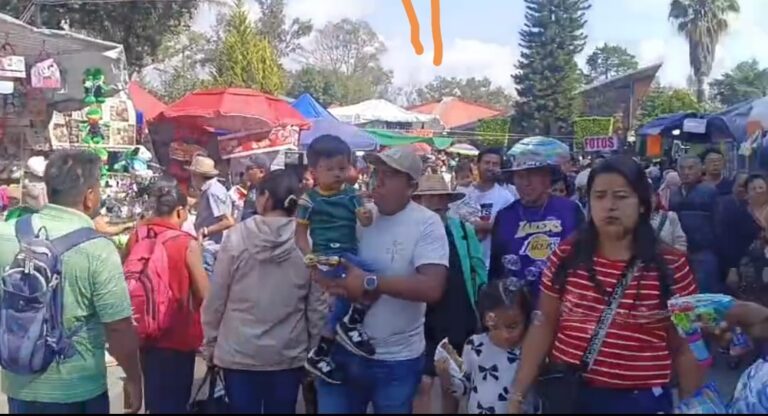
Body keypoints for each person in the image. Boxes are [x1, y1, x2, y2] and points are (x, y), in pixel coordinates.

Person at [508, 156, 702, 414]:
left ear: (643, 204)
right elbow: (544, 324)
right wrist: (517, 395)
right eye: (599, 196)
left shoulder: (672, 265)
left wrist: (692, 405)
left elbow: (689, 345)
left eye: (621, 196)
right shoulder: (566, 255)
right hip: (571, 396)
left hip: (642, 400)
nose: (609, 206)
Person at [0, 150, 142, 414]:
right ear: (89, 196)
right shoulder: (98, 248)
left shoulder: (6, 233)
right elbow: (119, 327)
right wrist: (134, 377)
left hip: (18, 383)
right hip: (77, 388)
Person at [312, 146, 449, 414]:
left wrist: (369, 282)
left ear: (411, 186)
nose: (379, 180)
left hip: (396, 360)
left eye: (390, 175)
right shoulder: (359, 216)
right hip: (341, 353)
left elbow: (433, 287)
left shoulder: (427, 224)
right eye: (377, 173)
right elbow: (324, 258)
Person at [203, 170, 325, 414]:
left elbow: (217, 297)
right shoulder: (308, 241)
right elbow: (317, 304)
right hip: (287, 354)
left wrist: (211, 343)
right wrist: (314, 349)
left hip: (239, 352)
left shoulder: (237, 236)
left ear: (266, 198)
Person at [123, 179, 209, 413]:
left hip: (144, 334)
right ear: (180, 211)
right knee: (175, 402)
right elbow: (205, 294)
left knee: (155, 397)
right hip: (179, 336)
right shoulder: (186, 244)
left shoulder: (137, 237)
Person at [294, 135, 375, 384]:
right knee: (371, 280)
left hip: (349, 254)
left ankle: (324, 348)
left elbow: (365, 221)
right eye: (329, 169)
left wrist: (364, 212)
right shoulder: (309, 200)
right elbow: (300, 235)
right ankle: (350, 325)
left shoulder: (351, 194)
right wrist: (310, 258)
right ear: (314, 171)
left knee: (359, 288)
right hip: (327, 256)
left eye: (342, 168)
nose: (337, 174)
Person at [411, 175, 486, 414]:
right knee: (422, 382)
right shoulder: (411, 229)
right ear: (419, 200)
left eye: (441, 196)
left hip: (456, 313)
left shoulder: (462, 229)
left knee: (451, 380)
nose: (436, 202)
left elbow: (478, 268)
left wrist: (482, 307)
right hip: (420, 314)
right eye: (429, 197)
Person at [489, 139, 583, 302]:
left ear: (547, 177)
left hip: (565, 305)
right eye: (520, 176)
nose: (527, 183)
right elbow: (496, 272)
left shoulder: (571, 210)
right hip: (518, 311)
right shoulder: (505, 216)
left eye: (533, 175)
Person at [436, 280, 533, 414]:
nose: (504, 335)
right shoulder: (475, 345)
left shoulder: (531, 350)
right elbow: (464, 387)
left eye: (512, 327)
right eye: (495, 326)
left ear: (526, 319)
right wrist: (447, 377)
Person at [669, 155, 721, 293]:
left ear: (700, 170)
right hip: (679, 253)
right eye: (682, 168)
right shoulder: (674, 193)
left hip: (703, 252)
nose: (686, 172)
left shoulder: (709, 191)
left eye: (690, 168)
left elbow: (719, 225)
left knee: (704, 297)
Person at [462, 148, 516, 268]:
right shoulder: (463, 192)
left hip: (490, 264)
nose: (490, 167)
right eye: (487, 163)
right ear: (477, 164)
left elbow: (508, 228)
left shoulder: (506, 198)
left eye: (495, 164)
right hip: (464, 262)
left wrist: (478, 225)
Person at [189, 155, 235, 279]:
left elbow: (228, 221)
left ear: (197, 175)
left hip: (211, 247)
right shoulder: (211, 189)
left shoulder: (213, 192)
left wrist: (204, 231)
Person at [725, 174, 768, 306]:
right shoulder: (739, 213)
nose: (758, 191)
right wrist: (732, 268)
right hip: (748, 269)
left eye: (761, 187)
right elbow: (732, 243)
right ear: (746, 193)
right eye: (754, 188)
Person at [239, 154, 271, 221]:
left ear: (261, 172)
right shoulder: (253, 187)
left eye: (249, 169)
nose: (245, 171)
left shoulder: (270, 190)